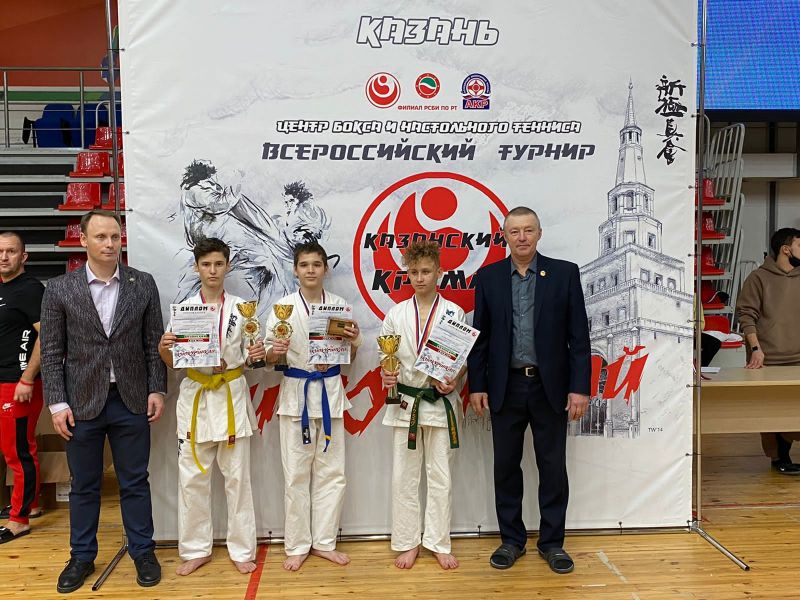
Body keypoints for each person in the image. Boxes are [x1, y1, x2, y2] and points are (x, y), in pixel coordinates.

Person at [40, 210, 167, 593]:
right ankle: (81, 557)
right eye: (101, 237)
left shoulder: (143, 283)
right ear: (83, 240)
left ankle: (143, 551)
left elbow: (152, 343)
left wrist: (157, 389)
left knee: (135, 481)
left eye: (114, 236)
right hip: (80, 404)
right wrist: (57, 403)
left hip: (131, 399)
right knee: (84, 485)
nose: (110, 244)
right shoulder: (59, 289)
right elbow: (51, 352)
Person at [467, 206, 591, 573]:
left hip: (549, 387)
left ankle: (552, 544)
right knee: (506, 466)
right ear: (504, 236)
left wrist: (579, 388)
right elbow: (480, 338)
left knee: (552, 467)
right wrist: (477, 385)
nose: (522, 237)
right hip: (505, 386)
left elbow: (579, 337)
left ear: (539, 233)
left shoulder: (564, 274)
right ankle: (511, 540)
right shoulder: (488, 277)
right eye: (514, 231)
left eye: (528, 230)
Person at [158, 238, 263, 575]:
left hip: (231, 393)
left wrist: (257, 354)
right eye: (206, 264)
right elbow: (173, 362)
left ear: (227, 266)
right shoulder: (185, 310)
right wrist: (164, 348)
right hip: (196, 397)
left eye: (218, 264)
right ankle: (195, 549)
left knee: (238, 479)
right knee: (192, 479)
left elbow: (253, 357)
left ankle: (242, 549)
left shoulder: (243, 309)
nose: (213, 271)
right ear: (196, 267)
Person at [264, 241, 361, 571]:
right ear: (295, 270)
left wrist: (352, 341)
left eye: (316, 264)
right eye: (304, 265)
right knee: (295, 474)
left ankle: (324, 541)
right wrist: (275, 350)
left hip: (330, 394)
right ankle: (296, 544)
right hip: (296, 396)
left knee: (333, 473)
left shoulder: (339, 306)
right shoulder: (283, 308)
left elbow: (351, 357)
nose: (310, 270)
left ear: (325, 269)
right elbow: (268, 359)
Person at [379, 240, 464, 570]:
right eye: (413, 272)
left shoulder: (453, 312)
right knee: (404, 477)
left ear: (439, 272)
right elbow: (385, 356)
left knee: (441, 476)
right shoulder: (396, 313)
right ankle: (407, 541)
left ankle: (439, 542)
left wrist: (454, 378)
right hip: (405, 402)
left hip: (440, 401)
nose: (419, 278)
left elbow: (461, 359)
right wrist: (387, 373)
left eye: (426, 271)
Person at [736, 227, 800, 475]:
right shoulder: (758, 278)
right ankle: (780, 457)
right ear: (786, 249)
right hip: (768, 359)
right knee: (772, 411)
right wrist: (756, 349)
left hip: (798, 358)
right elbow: (746, 316)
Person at [0, 231, 44, 543]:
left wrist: (27, 378)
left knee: (19, 452)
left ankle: (19, 520)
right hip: (3, 380)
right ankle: (31, 504)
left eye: (11, 251)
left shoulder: (30, 290)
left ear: (23, 256)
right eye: (0, 251)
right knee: (13, 449)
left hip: (18, 384)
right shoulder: (3, 288)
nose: (4, 257)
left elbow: (47, 336)